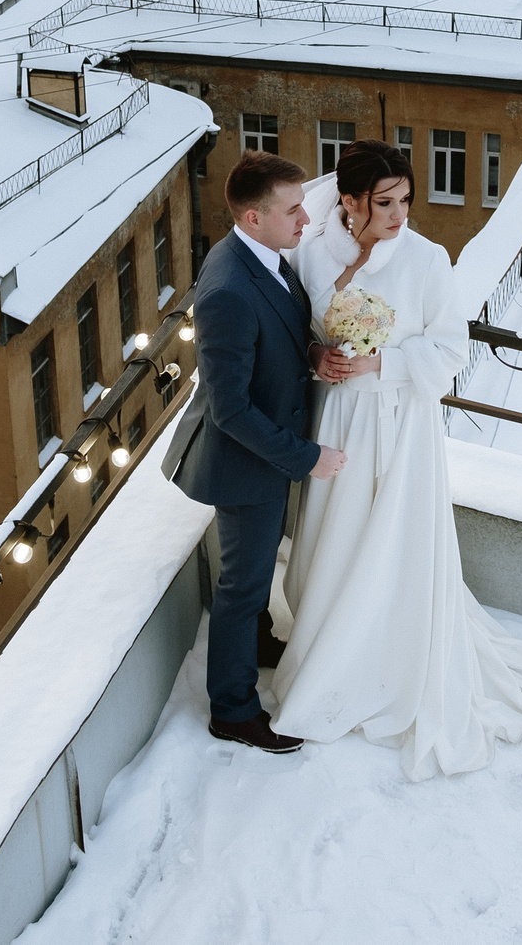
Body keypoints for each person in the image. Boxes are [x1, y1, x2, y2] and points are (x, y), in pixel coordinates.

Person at [270, 139, 522, 778]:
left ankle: (388, 655)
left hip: (401, 423)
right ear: (349, 203)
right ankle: (329, 642)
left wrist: (378, 362)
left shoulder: (427, 260)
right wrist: (316, 357)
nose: (400, 214)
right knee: (334, 536)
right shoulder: (311, 253)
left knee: (394, 539)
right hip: (338, 416)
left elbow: (449, 352)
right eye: (385, 203)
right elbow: (296, 329)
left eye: (405, 200)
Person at [165, 150, 347, 753]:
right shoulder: (226, 291)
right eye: (293, 210)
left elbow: (281, 332)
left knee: (258, 573)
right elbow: (229, 409)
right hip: (246, 464)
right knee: (242, 586)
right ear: (251, 217)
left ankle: (260, 641)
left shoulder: (264, 255)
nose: (306, 221)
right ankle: (233, 710)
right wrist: (305, 457)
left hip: (268, 451)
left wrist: (313, 356)